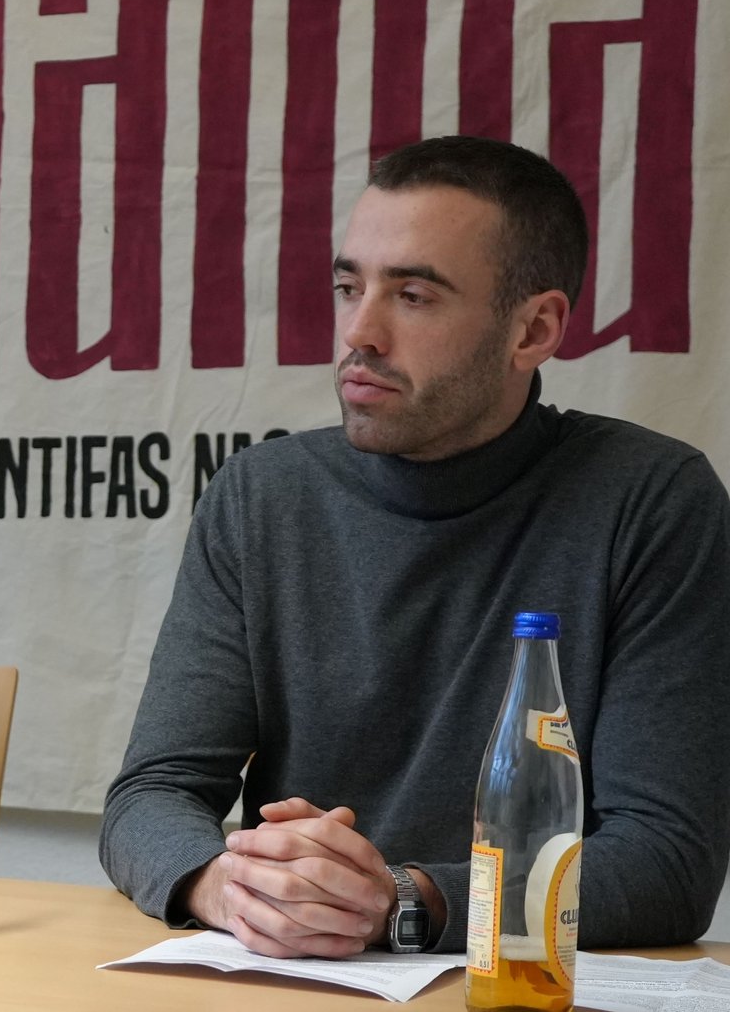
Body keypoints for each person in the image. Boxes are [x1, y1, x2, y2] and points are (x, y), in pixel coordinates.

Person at [100, 136, 730, 957]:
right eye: (348, 285)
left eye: (414, 296)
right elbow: (152, 793)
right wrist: (233, 886)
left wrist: (402, 900)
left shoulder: (653, 501)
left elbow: (664, 863)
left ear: (533, 329)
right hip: (284, 978)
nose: (360, 331)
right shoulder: (261, 496)